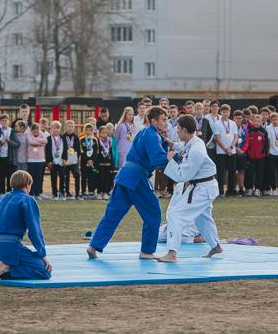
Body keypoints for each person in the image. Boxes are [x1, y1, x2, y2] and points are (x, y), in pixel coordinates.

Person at [87, 106, 169, 260]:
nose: (166, 123)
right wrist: (175, 157)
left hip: (124, 176)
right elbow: (158, 159)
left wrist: (166, 143)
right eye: (163, 120)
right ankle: (147, 251)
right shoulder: (152, 135)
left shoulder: (144, 132)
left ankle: (94, 245)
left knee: (113, 214)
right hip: (137, 178)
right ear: (153, 120)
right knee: (153, 213)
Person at [156, 114, 222, 263]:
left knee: (175, 214)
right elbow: (184, 147)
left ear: (185, 130)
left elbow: (182, 175)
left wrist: (170, 161)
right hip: (204, 186)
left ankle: (172, 253)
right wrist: (172, 144)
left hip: (202, 189)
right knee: (202, 218)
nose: (177, 131)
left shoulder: (196, 150)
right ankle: (216, 246)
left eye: (178, 129)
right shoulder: (194, 142)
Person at [0, 169, 52, 280]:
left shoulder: (2, 198)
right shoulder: (27, 200)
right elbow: (34, 230)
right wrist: (42, 254)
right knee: (44, 271)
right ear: (27, 185)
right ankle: (7, 267)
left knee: (6, 266)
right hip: (11, 246)